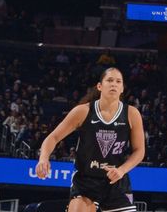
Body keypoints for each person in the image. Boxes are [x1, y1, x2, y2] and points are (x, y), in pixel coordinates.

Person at [34, 67, 147, 212]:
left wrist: (122, 170)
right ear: (99, 86)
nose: (114, 84)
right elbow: (53, 137)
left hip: (115, 180)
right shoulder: (83, 111)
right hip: (86, 180)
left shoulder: (132, 113)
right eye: (110, 80)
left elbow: (139, 151)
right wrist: (43, 158)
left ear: (122, 89)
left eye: (118, 81)